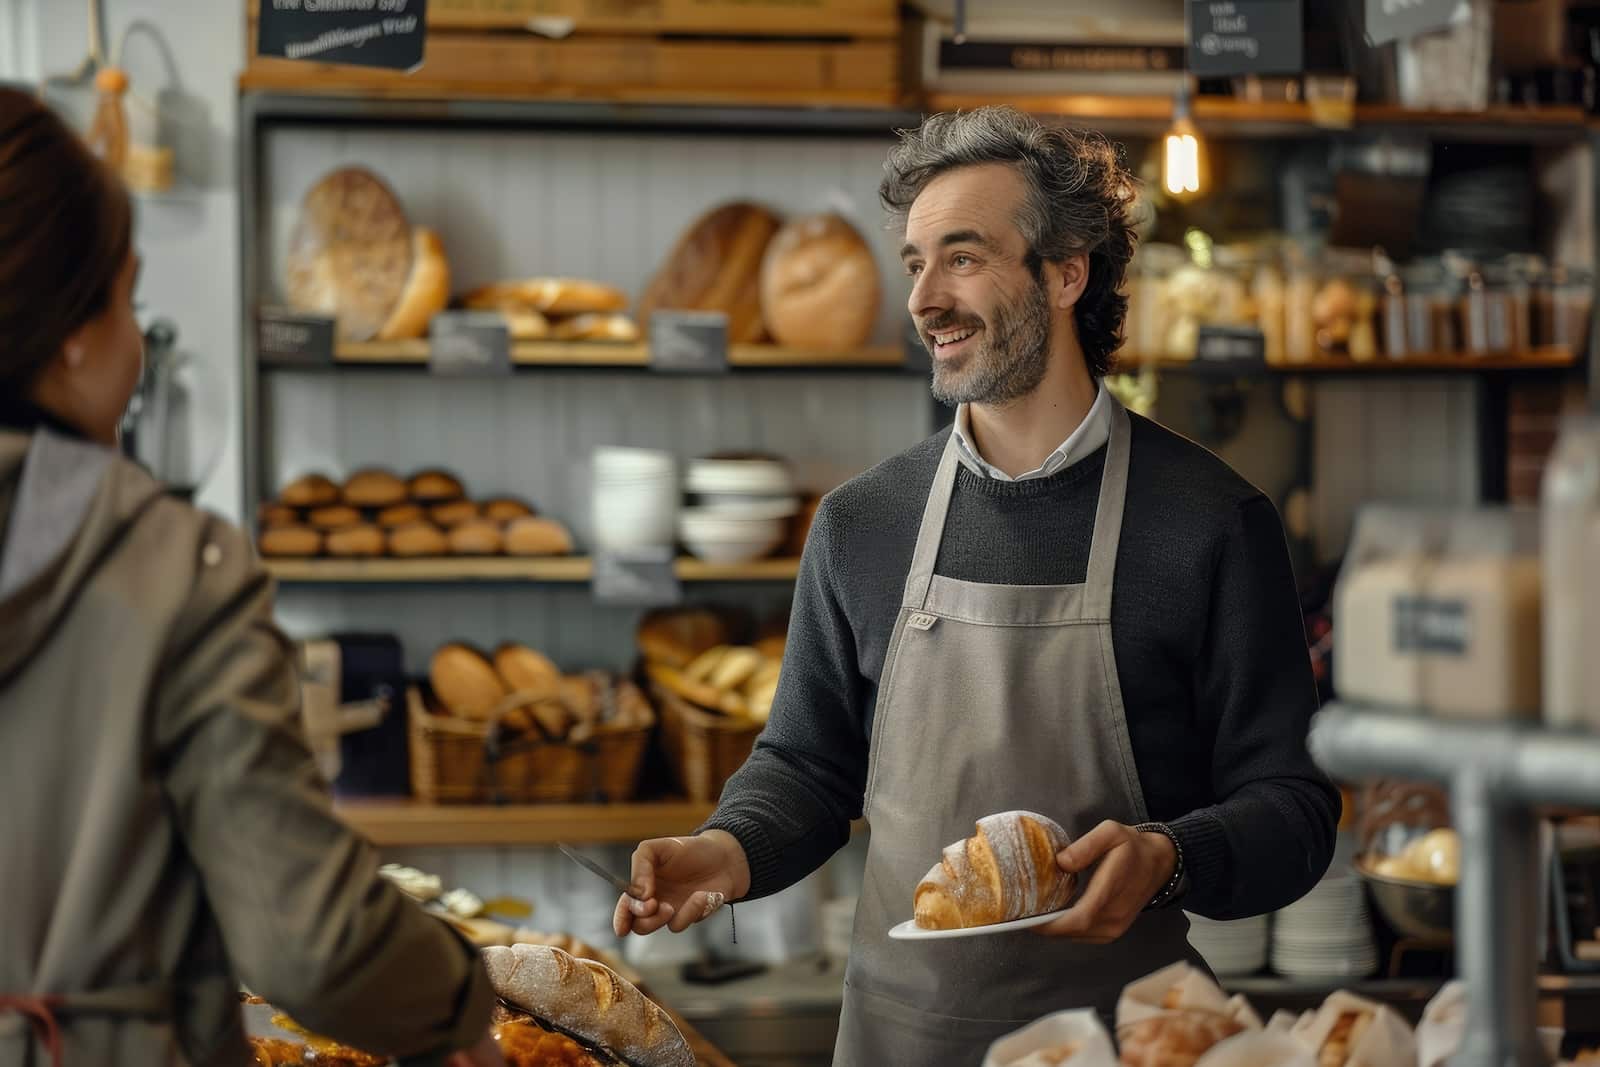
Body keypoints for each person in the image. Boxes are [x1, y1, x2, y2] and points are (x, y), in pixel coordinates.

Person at [615, 106, 1341, 1062]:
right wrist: (726, 849)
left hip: (1127, 1039)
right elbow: (808, 767)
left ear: (1066, 271)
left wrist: (1171, 855)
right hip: (899, 1041)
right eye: (915, 263)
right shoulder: (861, 523)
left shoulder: (1210, 522)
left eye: (962, 257)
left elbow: (1292, 806)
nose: (923, 299)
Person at [0, 89, 504, 1067]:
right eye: (125, 300)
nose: (137, 345)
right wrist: (457, 1004)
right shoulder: (171, 571)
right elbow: (312, 941)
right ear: (71, 335)